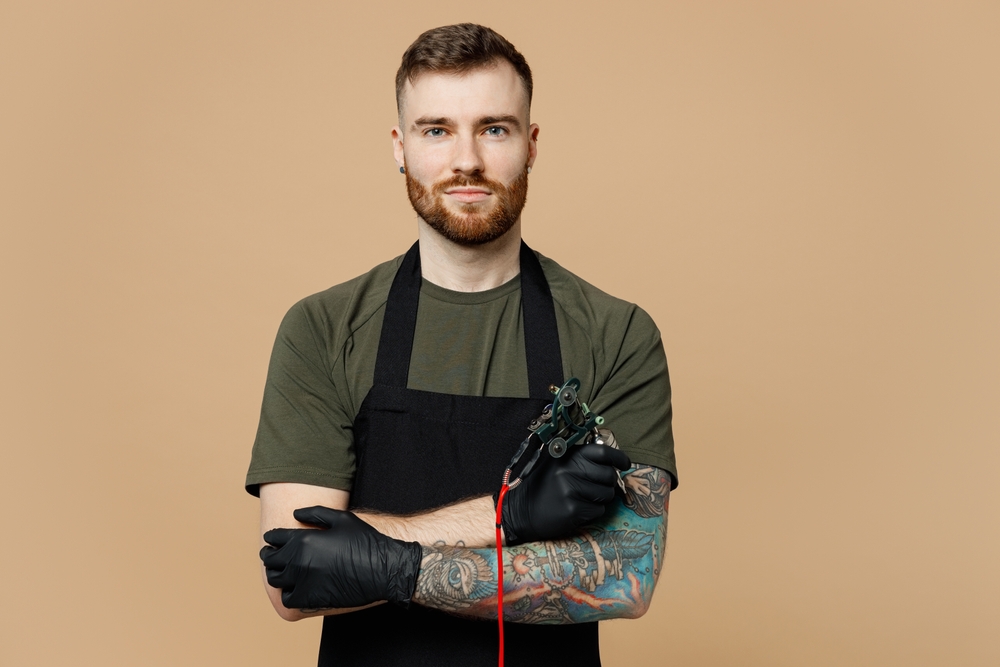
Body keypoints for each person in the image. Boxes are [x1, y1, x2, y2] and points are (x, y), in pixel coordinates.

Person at [246, 23, 677, 666]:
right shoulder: (322, 328)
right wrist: (507, 518)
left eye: (494, 129)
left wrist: (389, 563)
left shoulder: (616, 333)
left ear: (532, 146)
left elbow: (626, 578)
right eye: (437, 129)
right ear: (400, 146)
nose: (467, 160)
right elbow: (297, 576)